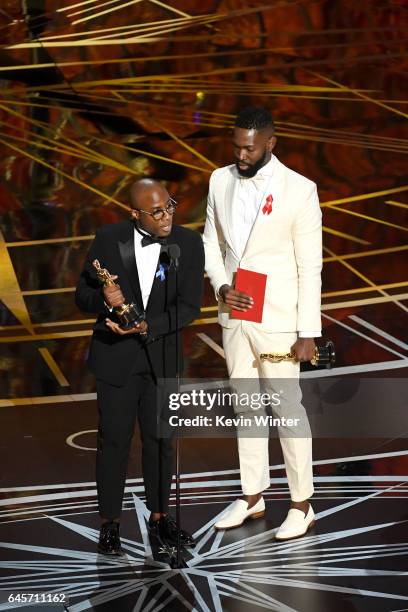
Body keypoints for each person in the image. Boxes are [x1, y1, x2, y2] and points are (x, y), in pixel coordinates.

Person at [203, 106, 322, 540]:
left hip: (278, 319)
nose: (241, 155)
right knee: (246, 405)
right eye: (236, 146)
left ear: (271, 143)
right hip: (235, 311)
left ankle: (302, 504)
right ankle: (252, 495)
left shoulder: (300, 190)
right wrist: (220, 287)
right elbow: (210, 243)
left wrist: (308, 332)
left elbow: (311, 266)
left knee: (287, 408)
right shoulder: (219, 179)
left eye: (249, 148)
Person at [75, 178, 204, 554]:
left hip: (161, 357)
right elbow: (81, 295)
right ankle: (110, 524)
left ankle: (160, 517)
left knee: (161, 443)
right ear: (135, 214)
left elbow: (189, 307)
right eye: (157, 211)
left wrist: (150, 326)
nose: (167, 216)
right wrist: (103, 298)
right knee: (113, 442)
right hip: (116, 357)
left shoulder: (188, 244)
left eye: (170, 205)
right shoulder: (107, 237)